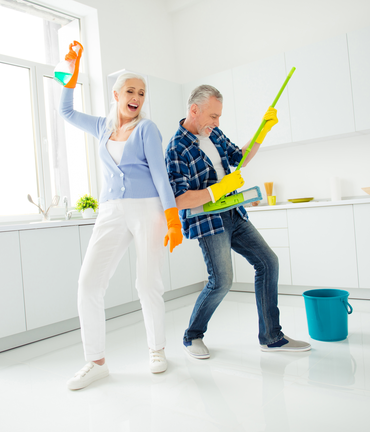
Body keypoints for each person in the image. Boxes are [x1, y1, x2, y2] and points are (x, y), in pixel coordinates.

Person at [58, 41, 183, 390]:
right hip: (111, 209)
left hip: (148, 209)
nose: (137, 97)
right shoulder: (101, 126)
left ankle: (157, 350)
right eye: (130, 91)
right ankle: (95, 361)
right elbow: (66, 113)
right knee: (88, 283)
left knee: (147, 283)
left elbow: (160, 174)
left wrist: (172, 217)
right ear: (116, 94)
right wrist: (72, 75)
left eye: (142, 93)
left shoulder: (147, 128)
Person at [165, 84, 311, 359]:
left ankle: (271, 337)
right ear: (194, 110)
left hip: (234, 213)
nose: (217, 122)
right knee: (221, 281)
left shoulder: (214, 133)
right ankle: (192, 335)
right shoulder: (176, 148)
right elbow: (179, 199)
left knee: (268, 262)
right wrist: (217, 190)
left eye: (219, 116)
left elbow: (239, 159)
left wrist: (262, 131)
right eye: (213, 116)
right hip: (208, 221)